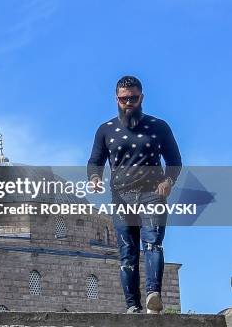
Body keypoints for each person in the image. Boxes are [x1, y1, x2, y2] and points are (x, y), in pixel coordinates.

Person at [87, 76, 182, 314]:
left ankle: (153, 295)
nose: (128, 103)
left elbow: (175, 161)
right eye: (123, 99)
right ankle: (132, 306)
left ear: (142, 98)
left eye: (133, 98)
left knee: (152, 243)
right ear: (116, 99)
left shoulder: (159, 127)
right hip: (121, 197)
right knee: (127, 254)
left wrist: (168, 181)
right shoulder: (106, 130)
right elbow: (95, 161)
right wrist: (94, 178)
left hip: (152, 193)